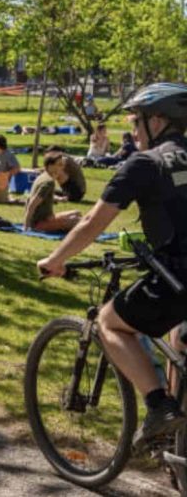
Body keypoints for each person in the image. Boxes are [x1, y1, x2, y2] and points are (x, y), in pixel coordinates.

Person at [37, 83, 187, 450]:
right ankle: (179, 444)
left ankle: (158, 407)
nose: (133, 130)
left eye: (136, 121)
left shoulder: (144, 164)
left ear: (158, 120)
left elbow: (92, 222)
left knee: (110, 322)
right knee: (178, 339)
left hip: (179, 274)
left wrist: (56, 260)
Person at [23, 152, 81, 232]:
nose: (62, 167)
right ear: (50, 166)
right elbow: (32, 204)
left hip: (48, 218)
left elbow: (43, 195)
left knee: (77, 213)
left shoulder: (44, 176)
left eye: (62, 164)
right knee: (77, 221)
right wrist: (26, 225)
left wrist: (58, 198)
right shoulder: (49, 182)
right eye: (59, 164)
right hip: (39, 223)